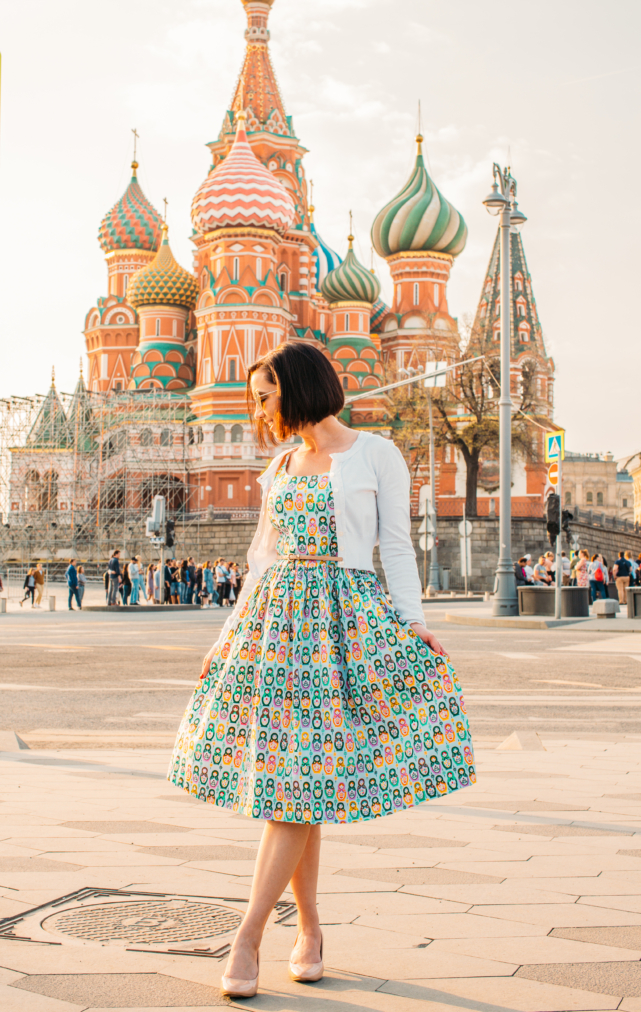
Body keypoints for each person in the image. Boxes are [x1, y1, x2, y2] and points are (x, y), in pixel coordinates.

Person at [168, 341, 475, 1000]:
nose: (259, 408)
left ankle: (247, 935)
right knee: (293, 786)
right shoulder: (281, 463)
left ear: (300, 387)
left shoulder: (374, 454)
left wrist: (414, 623)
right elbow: (261, 558)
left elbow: (393, 544)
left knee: (295, 787)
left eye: (265, 394)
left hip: (343, 624)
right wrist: (224, 638)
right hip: (276, 630)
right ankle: (307, 930)